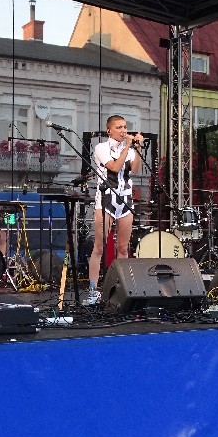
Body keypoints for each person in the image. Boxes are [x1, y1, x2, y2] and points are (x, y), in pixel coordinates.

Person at [86, 115, 143, 304]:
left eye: (125, 127)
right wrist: (128, 146)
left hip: (125, 199)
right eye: (119, 127)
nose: (123, 130)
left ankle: (122, 288)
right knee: (99, 247)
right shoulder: (101, 148)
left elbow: (135, 169)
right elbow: (115, 167)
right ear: (109, 130)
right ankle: (93, 290)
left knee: (123, 248)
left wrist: (138, 148)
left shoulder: (130, 149)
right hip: (106, 198)